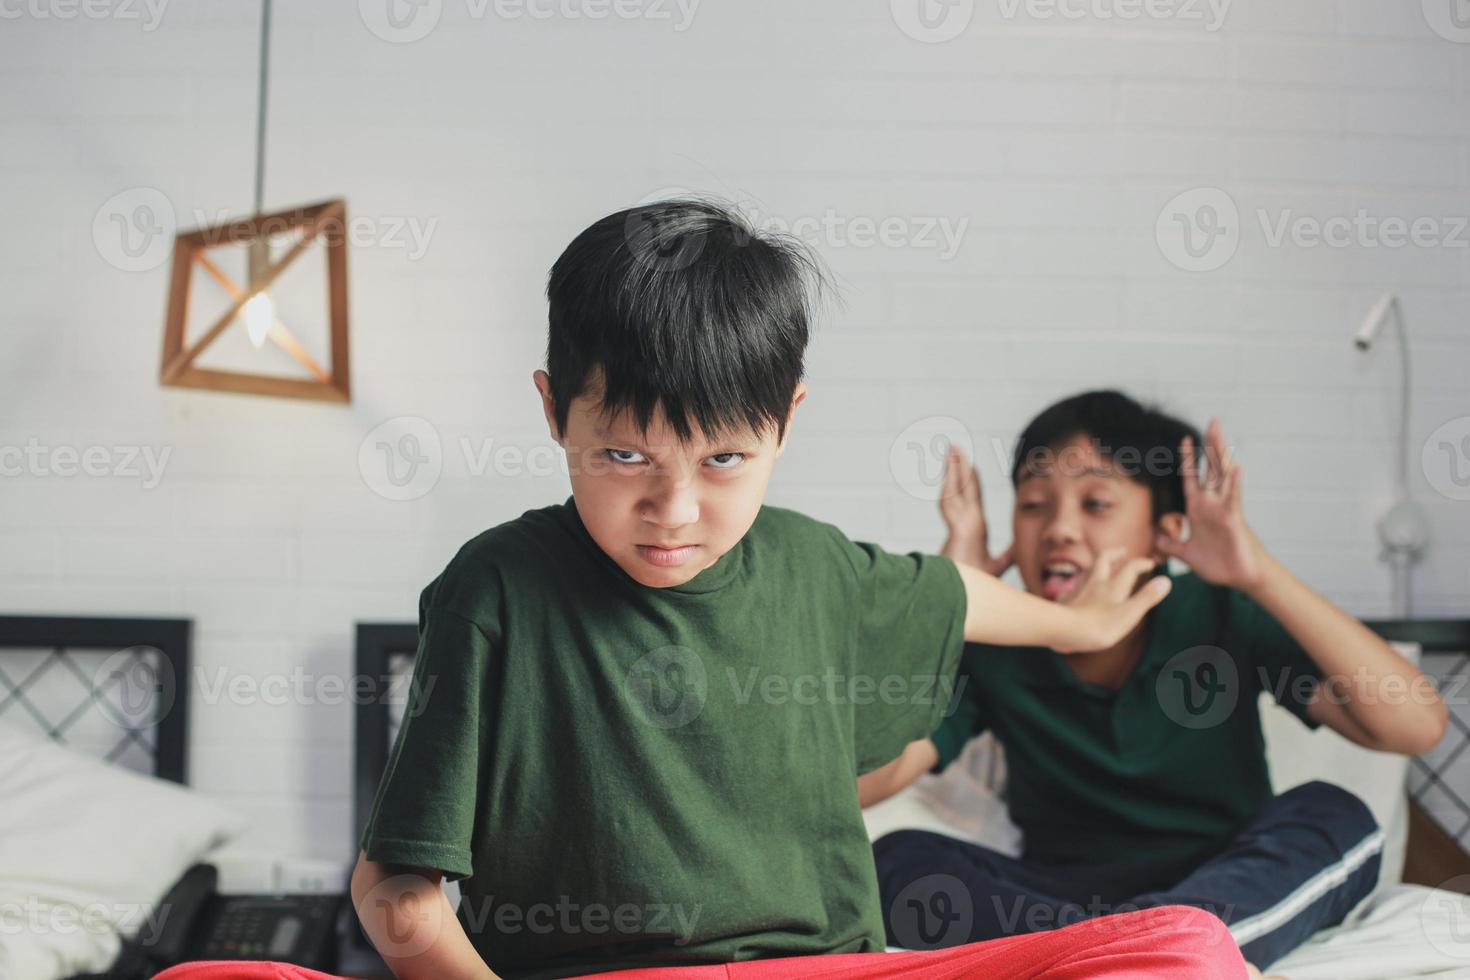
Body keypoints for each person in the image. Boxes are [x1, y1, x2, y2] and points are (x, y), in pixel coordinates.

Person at [153, 204, 1246, 980]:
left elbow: (960, 594)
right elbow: (396, 896)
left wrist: (1082, 620)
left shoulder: (820, 565)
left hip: (824, 973)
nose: (674, 510)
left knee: (1186, 944)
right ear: (554, 411)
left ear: (786, 423)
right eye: (625, 457)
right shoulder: (495, 590)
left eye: (724, 461)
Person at [860, 390, 1447, 975]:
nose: (1059, 528)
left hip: (1229, 876)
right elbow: (863, 783)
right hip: (1055, 899)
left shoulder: (1220, 612)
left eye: (1095, 503)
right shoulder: (998, 644)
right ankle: (1141, 956)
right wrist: (947, 603)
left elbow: (1417, 725)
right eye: (1035, 504)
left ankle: (1131, 951)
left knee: (1337, 816)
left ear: (1164, 531)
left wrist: (1259, 575)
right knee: (898, 858)